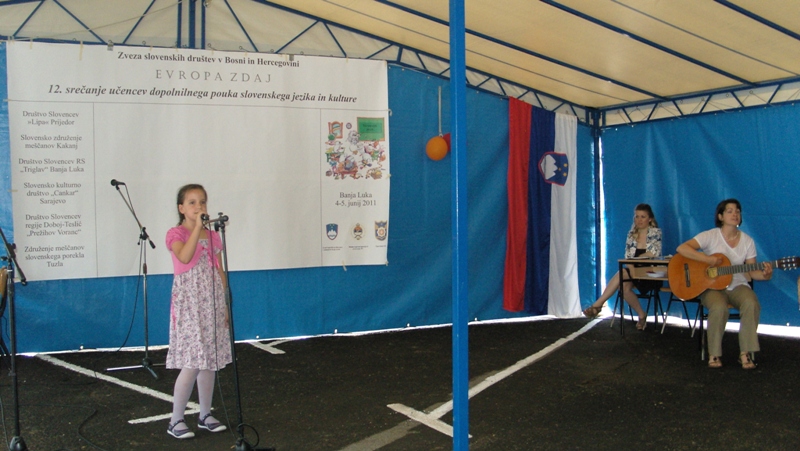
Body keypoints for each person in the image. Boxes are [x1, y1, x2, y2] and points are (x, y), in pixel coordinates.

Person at [165, 184, 232, 439]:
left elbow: (219, 269)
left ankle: (205, 414)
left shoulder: (213, 236)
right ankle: (176, 420)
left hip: (211, 301)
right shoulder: (176, 234)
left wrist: (224, 302)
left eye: (202, 202)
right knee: (193, 362)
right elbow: (184, 257)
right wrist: (196, 228)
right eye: (192, 202)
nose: (199, 206)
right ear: (181, 208)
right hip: (190, 304)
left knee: (209, 362)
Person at [676, 198, 772, 370]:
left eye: (737, 211)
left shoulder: (747, 241)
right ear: (720, 216)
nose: (735, 214)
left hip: (738, 285)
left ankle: (745, 352)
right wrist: (708, 260)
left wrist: (766, 275)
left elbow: (753, 272)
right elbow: (682, 248)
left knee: (751, 303)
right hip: (710, 287)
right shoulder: (710, 236)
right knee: (719, 307)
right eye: (730, 211)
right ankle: (714, 353)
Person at [583, 204, 662, 330]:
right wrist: (632, 268)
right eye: (637, 216)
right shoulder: (631, 234)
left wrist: (636, 260)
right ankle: (642, 315)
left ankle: (598, 305)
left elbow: (653, 253)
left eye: (643, 217)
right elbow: (628, 257)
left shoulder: (655, 233)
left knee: (622, 275)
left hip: (650, 273)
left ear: (650, 219)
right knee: (623, 286)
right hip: (633, 271)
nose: (639, 220)